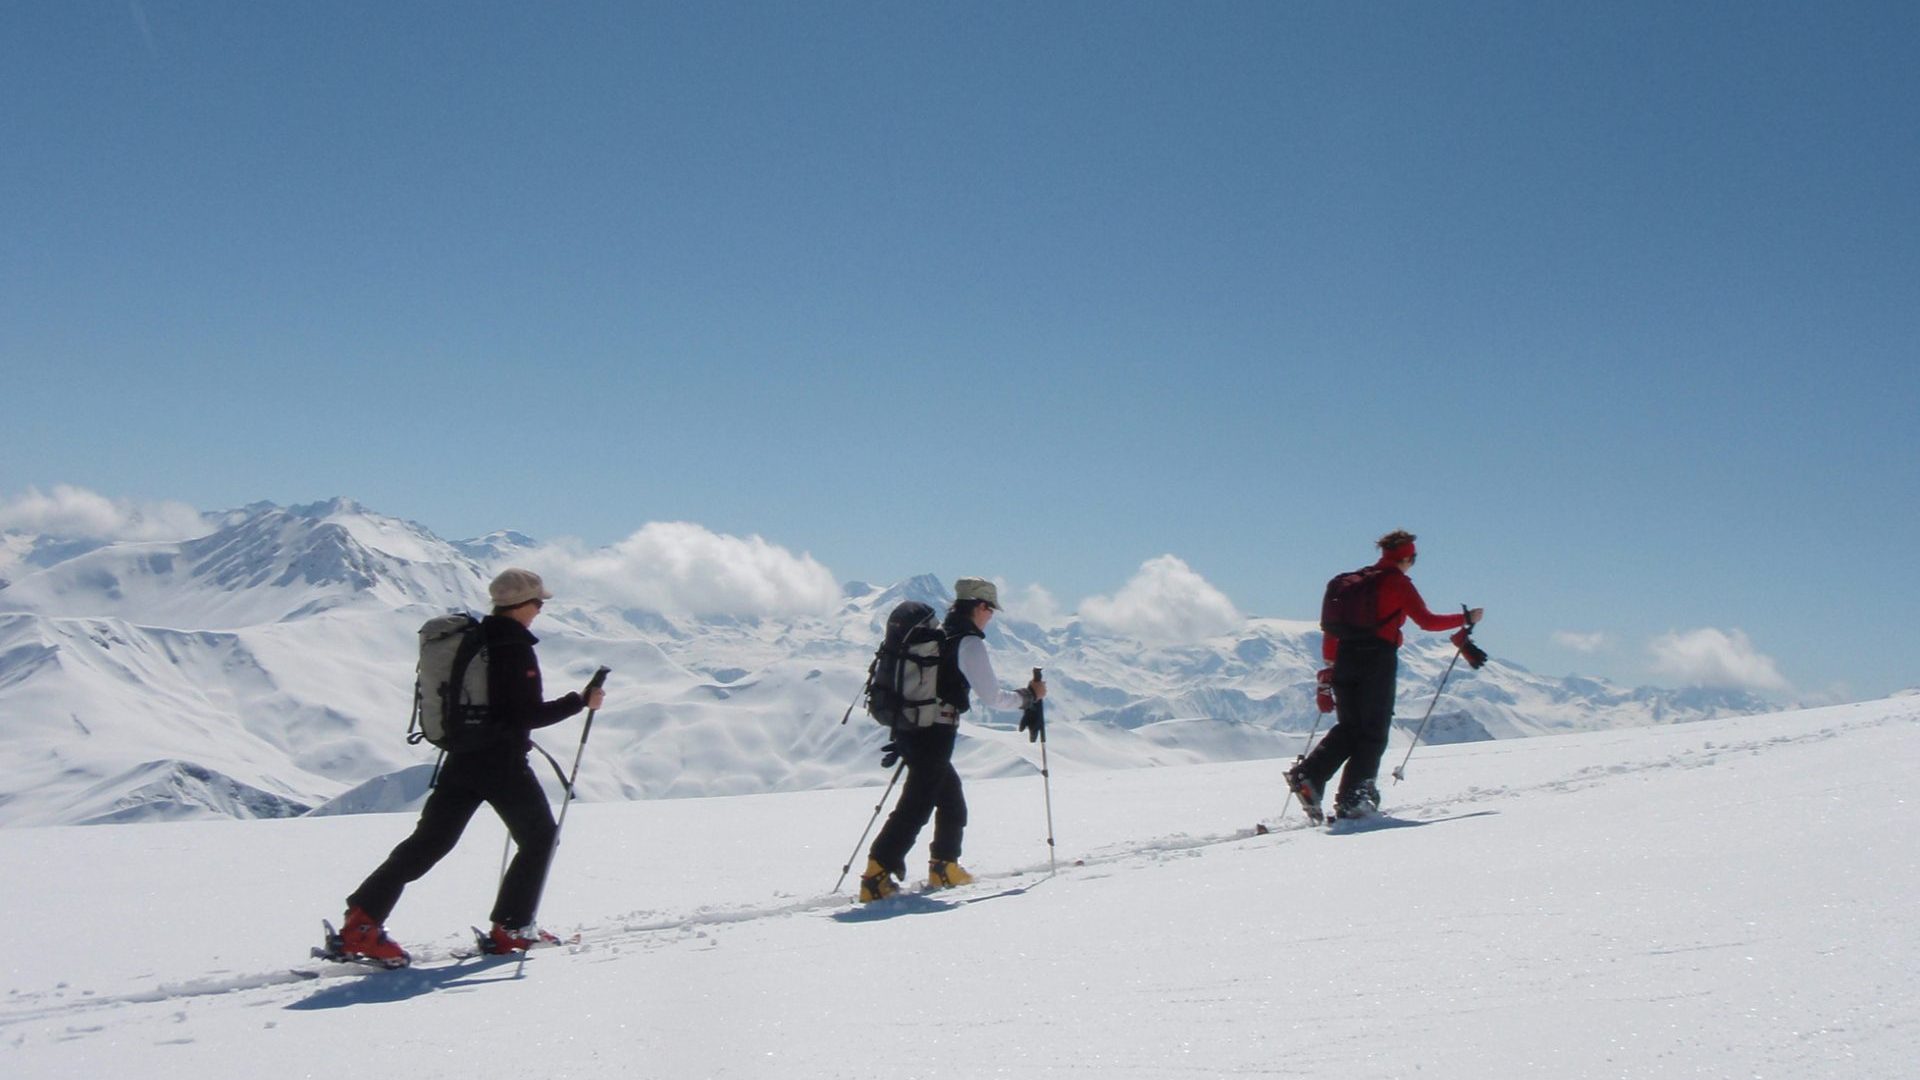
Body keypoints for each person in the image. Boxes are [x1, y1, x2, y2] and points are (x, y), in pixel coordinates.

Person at [335, 568, 607, 964]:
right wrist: (581, 701)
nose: (541, 609)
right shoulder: (513, 647)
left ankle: (361, 923)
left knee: (428, 844)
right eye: (539, 602)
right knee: (540, 839)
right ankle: (511, 929)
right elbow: (524, 714)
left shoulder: (476, 639)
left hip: (461, 756)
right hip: (501, 762)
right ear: (524, 605)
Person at [859, 577, 1046, 902]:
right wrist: (1029, 696)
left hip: (913, 728)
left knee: (950, 800)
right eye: (990, 609)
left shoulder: (941, 635)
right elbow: (993, 697)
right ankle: (877, 876)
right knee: (916, 806)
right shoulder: (968, 643)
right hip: (935, 732)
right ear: (979, 606)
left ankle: (944, 866)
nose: (991, 616)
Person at [1286, 531, 1482, 822]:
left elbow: (1331, 630)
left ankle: (1309, 775)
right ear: (1406, 557)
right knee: (1373, 732)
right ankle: (1354, 799)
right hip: (1377, 659)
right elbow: (1427, 621)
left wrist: (1329, 666)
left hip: (1344, 659)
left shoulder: (1352, 583)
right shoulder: (1396, 584)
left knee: (1351, 727)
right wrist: (1465, 619)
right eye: (1413, 558)